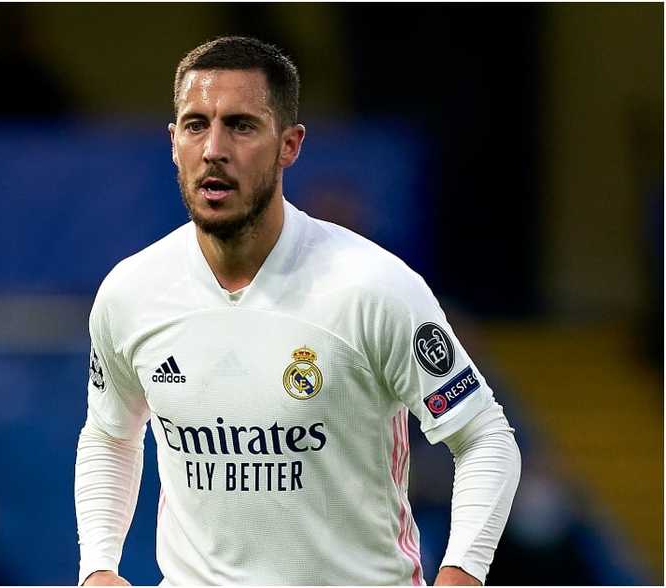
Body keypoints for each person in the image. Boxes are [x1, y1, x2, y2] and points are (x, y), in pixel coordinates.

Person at [74, 36, 520, 586]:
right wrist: (97, 565)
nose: (214, 148)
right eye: (195, 125)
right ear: (173, 142)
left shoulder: (373, 287)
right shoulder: (131, 292)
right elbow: (110, 435)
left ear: (290, 145)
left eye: (240, 125)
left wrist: (462, 574)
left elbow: (485, 437)